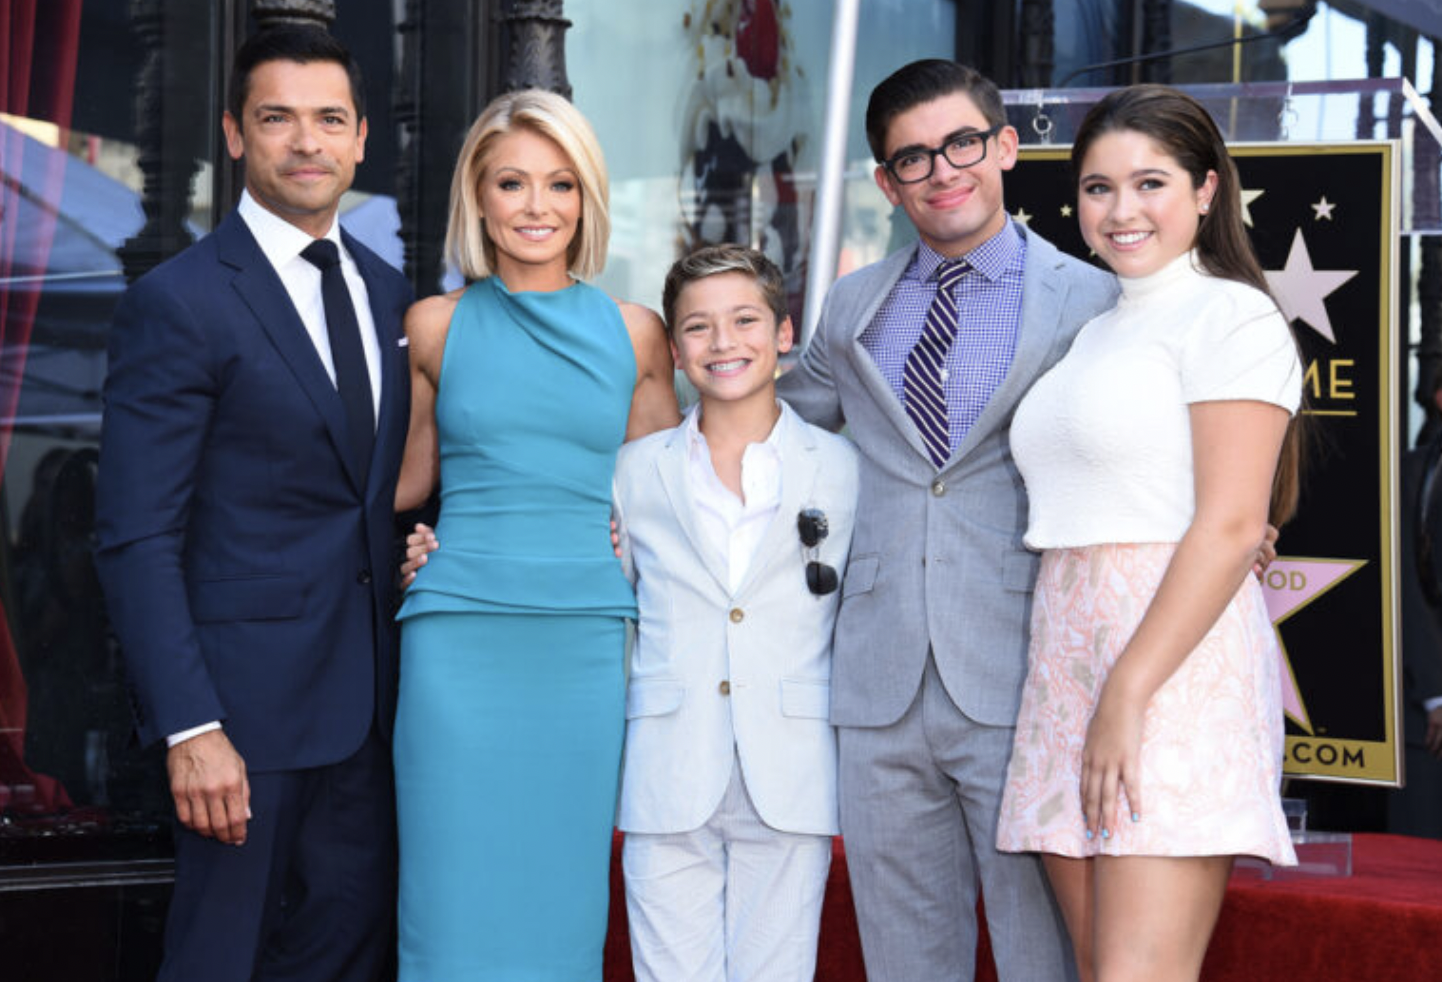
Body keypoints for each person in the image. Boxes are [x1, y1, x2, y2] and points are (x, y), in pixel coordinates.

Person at [774, 59, 1117, 982]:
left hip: (1028, 669)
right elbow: (772, 435)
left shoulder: (1094, 300)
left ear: (1004, 146)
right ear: (887, 182)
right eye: (913, 157)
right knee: (904, 956)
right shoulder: (852, 305)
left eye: (961, 143)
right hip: (877, 679)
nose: (942, 171)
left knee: (1045, 953)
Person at [93, 25, 411, 982]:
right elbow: (136, 536)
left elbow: (381, 494)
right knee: (219, 965)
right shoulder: (180, 301)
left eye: (330, 120)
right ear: (235, 134)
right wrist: (191, 727)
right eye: (278, 118)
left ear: (362, 139)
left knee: (347, 962)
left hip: (378, 718)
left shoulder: (394, 298)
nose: (307, 142)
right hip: (242, 726)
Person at [996, 84, 1303, 982]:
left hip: (1168, 672)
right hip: (1068, 661)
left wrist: (1127, 693)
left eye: (1150, 183)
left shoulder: (1230, 314)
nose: (1121, 210)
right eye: (1098, 187)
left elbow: (1233, 524)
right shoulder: (1099, 330)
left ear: (1207, 190)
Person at [390, 89, 678, 980]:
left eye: (560, 184)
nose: (536, 206)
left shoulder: (637, 333)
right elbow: (400, 488)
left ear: (587, 199)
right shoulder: (434, 325)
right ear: (478, 199)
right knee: (449, 894)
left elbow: (668, 499)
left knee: (560, 895)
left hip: (583, 642)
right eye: (511, 183)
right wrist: (406, 549)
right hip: (456, 635)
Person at [613, 244, 858, 982]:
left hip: (791, 769)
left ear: (784, 333)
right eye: (698, 326)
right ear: (674, 350)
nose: (723, 342)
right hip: (667, 769)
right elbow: (609, 605)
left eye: (745, 320)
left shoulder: (845, 468)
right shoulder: (632, 471)